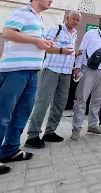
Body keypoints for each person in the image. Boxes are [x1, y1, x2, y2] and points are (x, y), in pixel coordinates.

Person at [0, 0, 55, 176]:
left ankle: (10, 150)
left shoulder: (39, 20)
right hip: (14, 71)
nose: (51, 1)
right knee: (1, 115)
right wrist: (35, 41)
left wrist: (51, 47)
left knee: (21, 114)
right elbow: (8, 33)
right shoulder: (22, 13)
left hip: (32, 72)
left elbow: (35, 43)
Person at [25, 12, 80, 148]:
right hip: (51, 70)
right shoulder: (57, 29)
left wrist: (74, 60)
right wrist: (61, 50)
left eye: (78, 20)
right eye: (73, 19)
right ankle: (33, 135)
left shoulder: (75, 33)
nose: (75, 22)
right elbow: (46, 47)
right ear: (67, 18)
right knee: (43, 102)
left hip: (66, 73)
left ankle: (50, 132)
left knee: (60, 104)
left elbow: (69, 51)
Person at [71, 16, 101, 140]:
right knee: (82, 98)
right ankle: (76, 128)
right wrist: (77, 66)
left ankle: (92, 125)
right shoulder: (90, 34)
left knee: (97, 99)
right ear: (99, 23)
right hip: (87, 68)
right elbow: (82, 49)